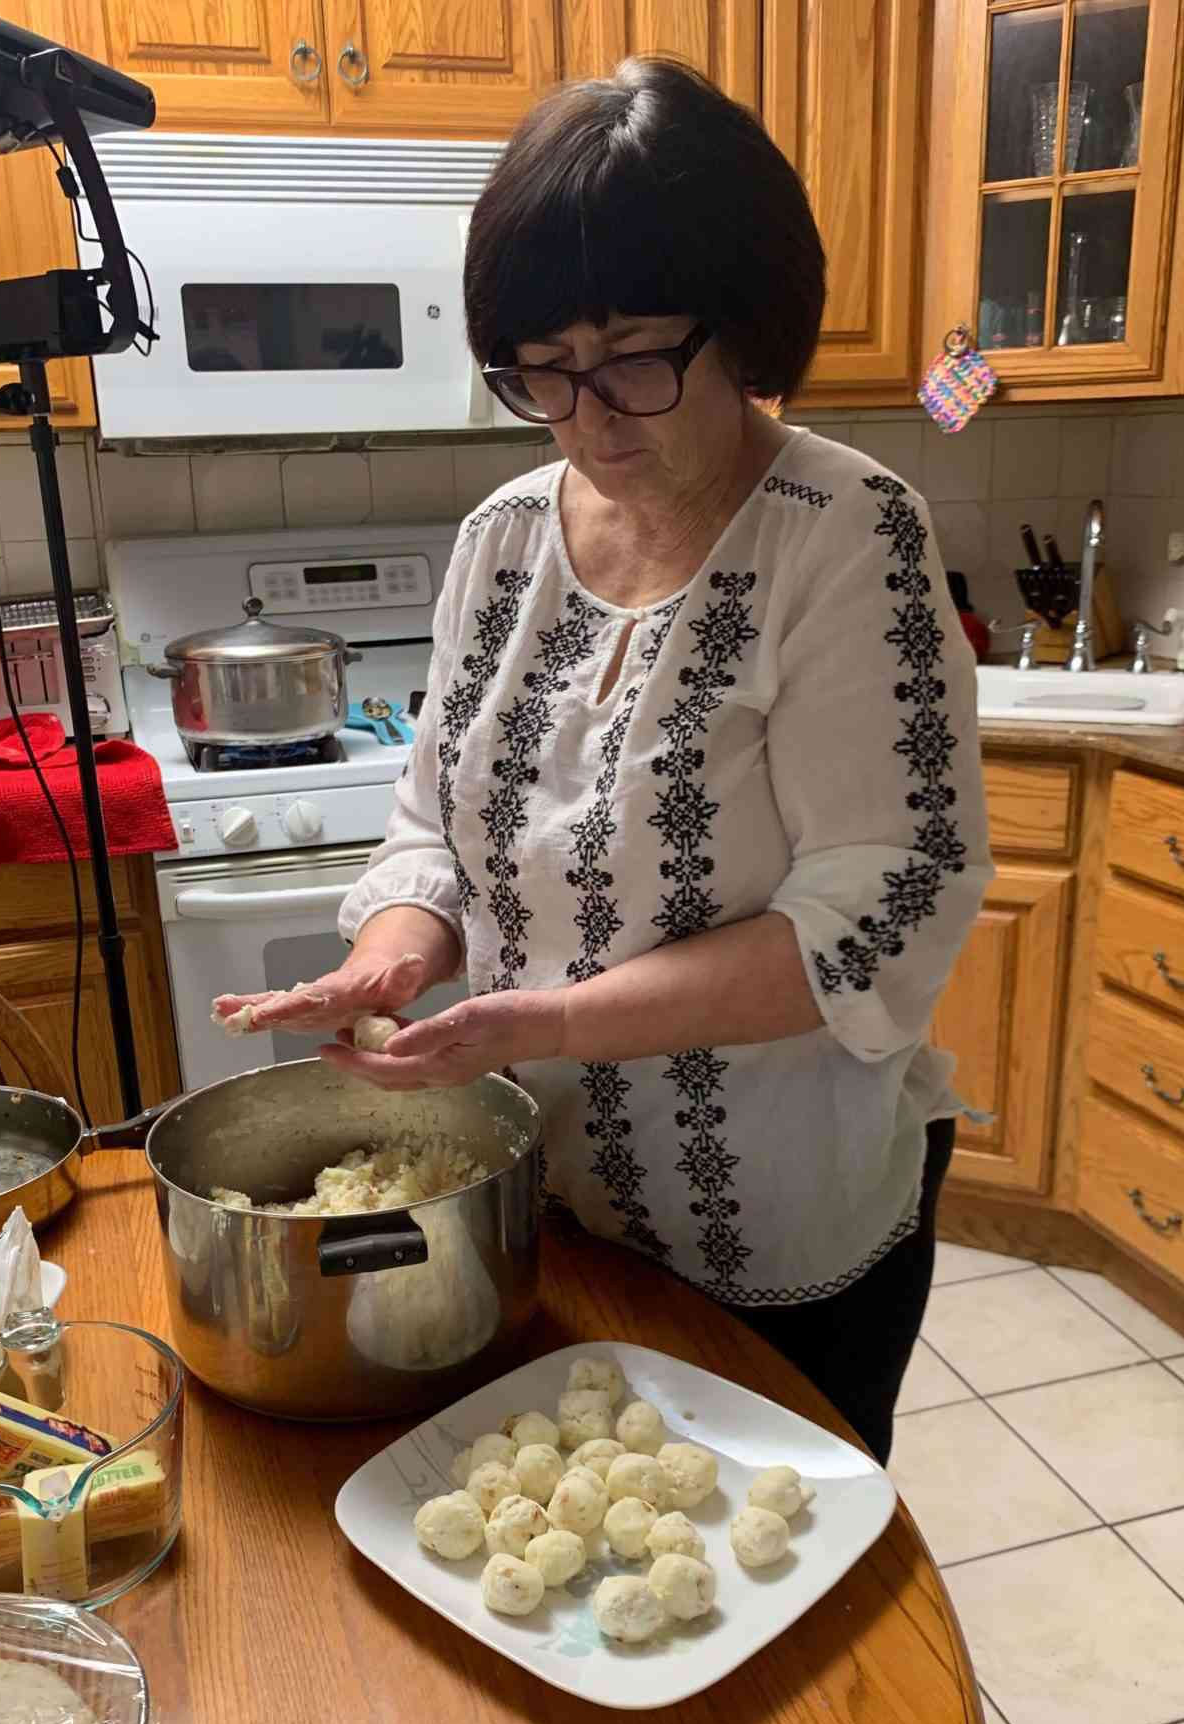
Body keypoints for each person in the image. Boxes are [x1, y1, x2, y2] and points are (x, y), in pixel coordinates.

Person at [213, 58, 993, 1463]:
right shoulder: (503, 538)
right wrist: (394, 954)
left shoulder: (846, 534)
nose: (589, 417)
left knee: (765, 1563)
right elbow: (432, 827)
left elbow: (879, 913)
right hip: (543, 1194)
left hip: (770, 1227)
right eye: (543, 370)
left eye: (633, 356)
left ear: (744, 320)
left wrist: (547, 1022)